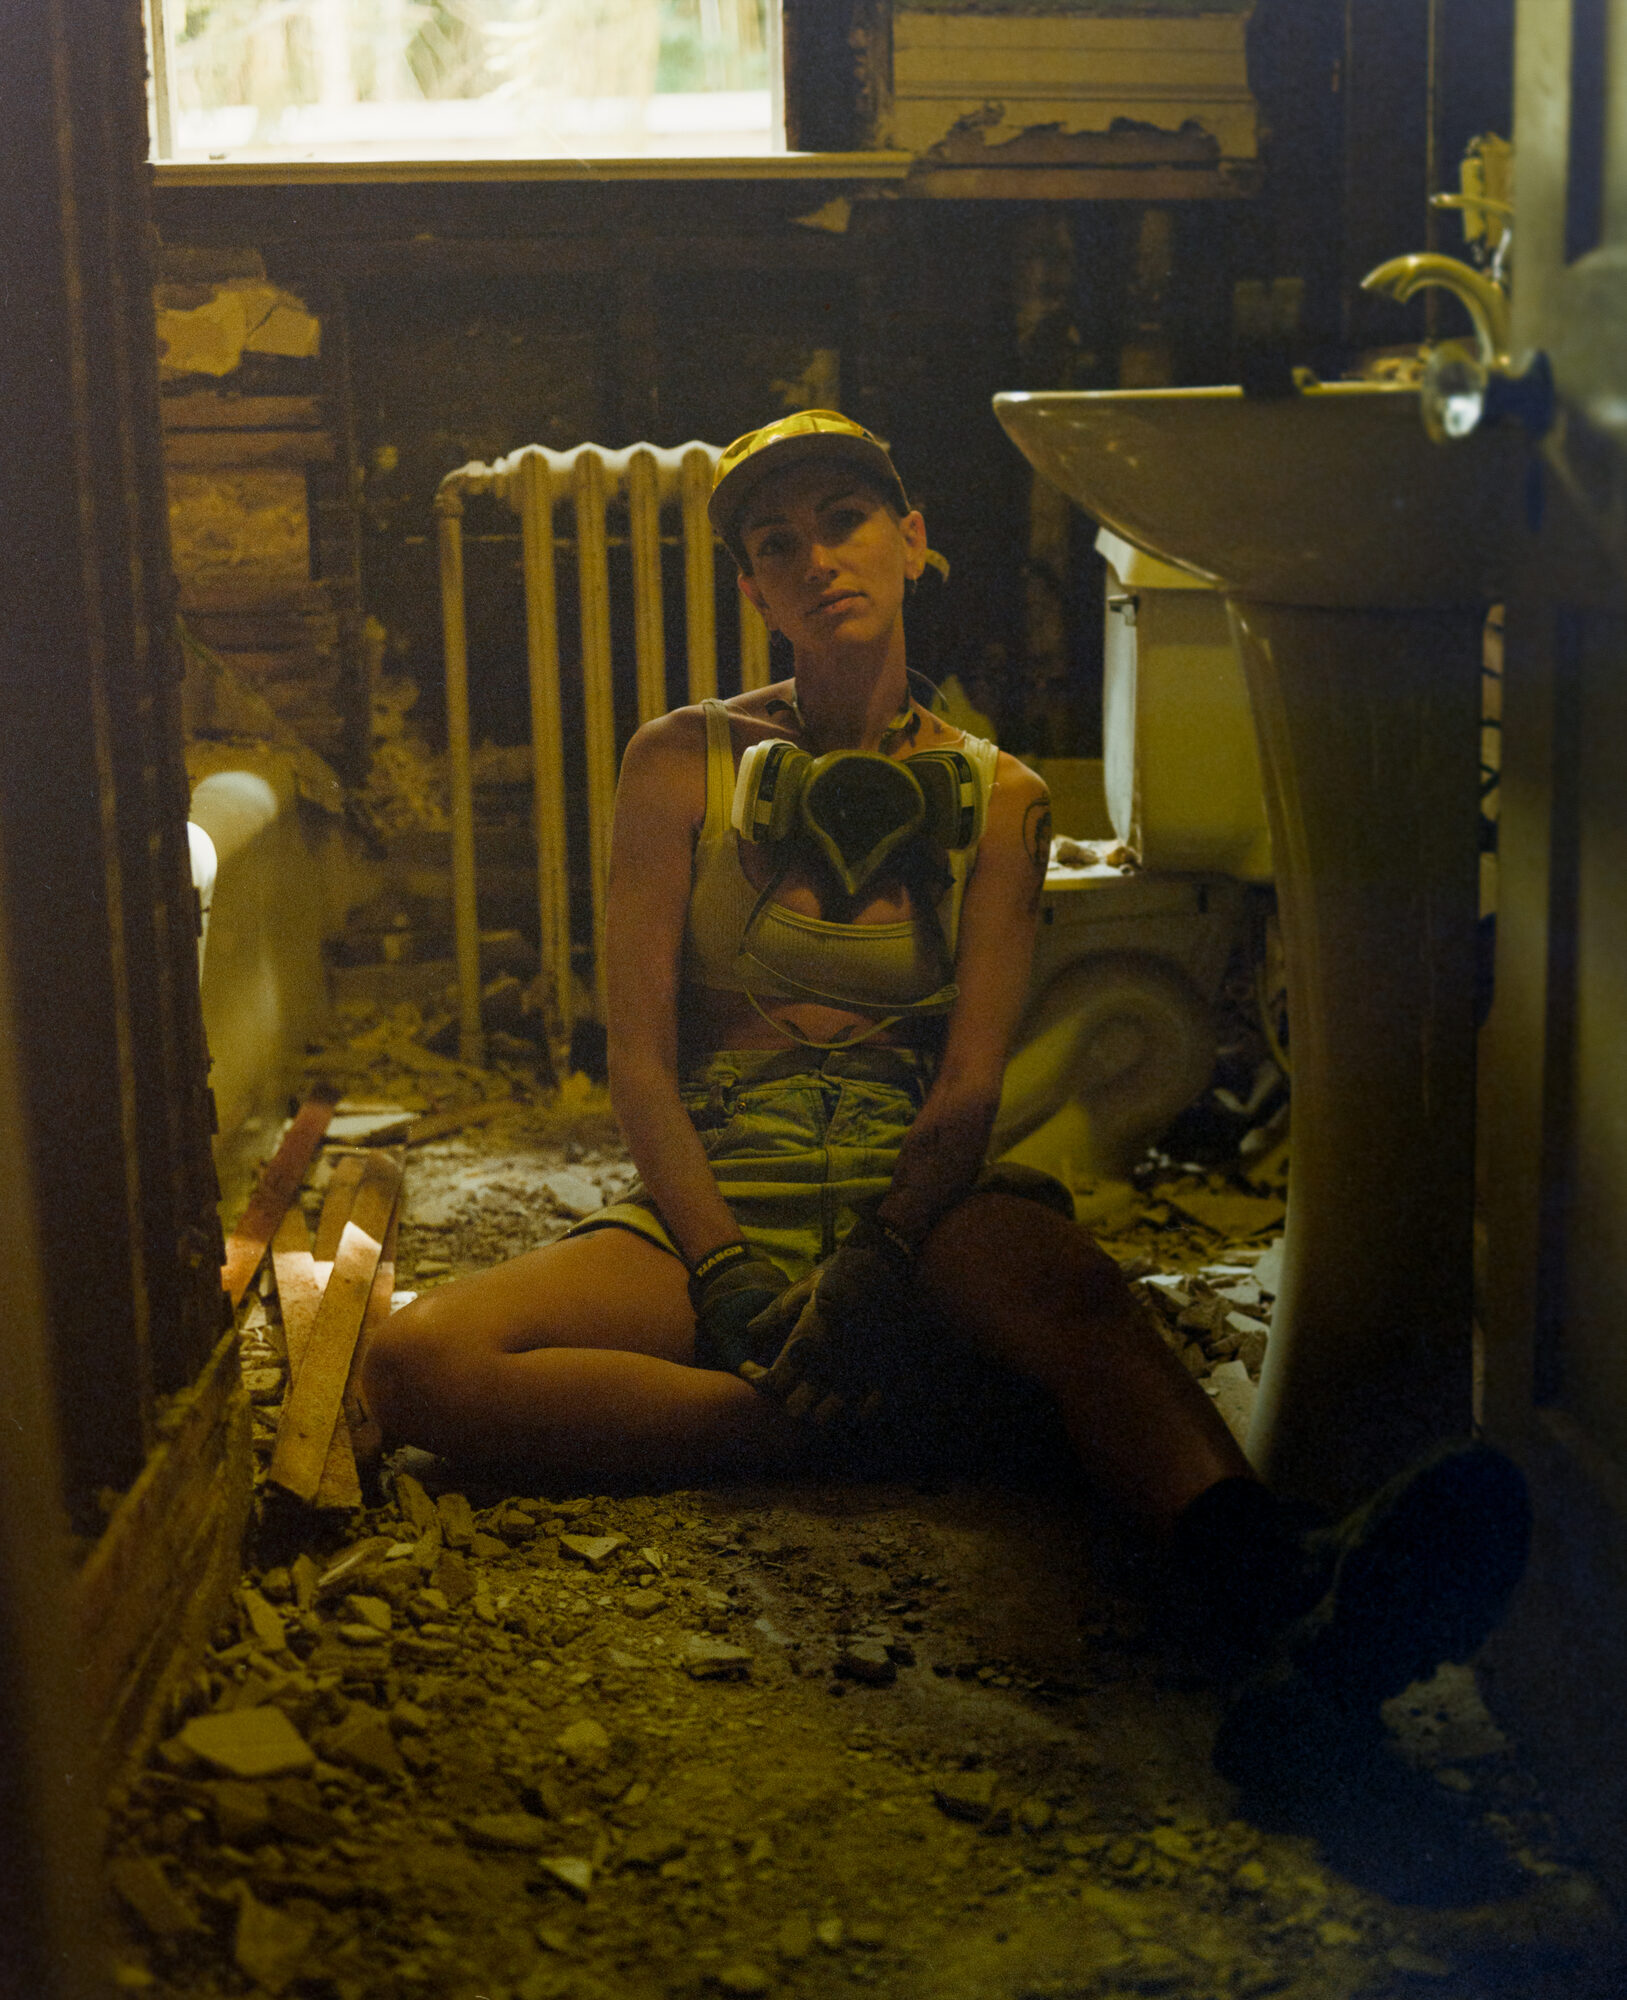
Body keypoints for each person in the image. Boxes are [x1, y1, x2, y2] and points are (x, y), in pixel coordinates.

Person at [363, 410, 1529, 1807]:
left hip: (918, 1199)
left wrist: (880, 1254)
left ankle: (1279, 1605)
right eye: (776, 545)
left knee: (1080, 1302)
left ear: (912, 542)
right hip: (726, 1176)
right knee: (422, 1359)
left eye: (845, 519)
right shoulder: (677, 761)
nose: (816, 560)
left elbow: (970, 1080)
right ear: (752, 588)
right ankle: (866, 1425)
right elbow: (641, 1068)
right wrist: (727, 1267)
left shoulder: (1005, 797)